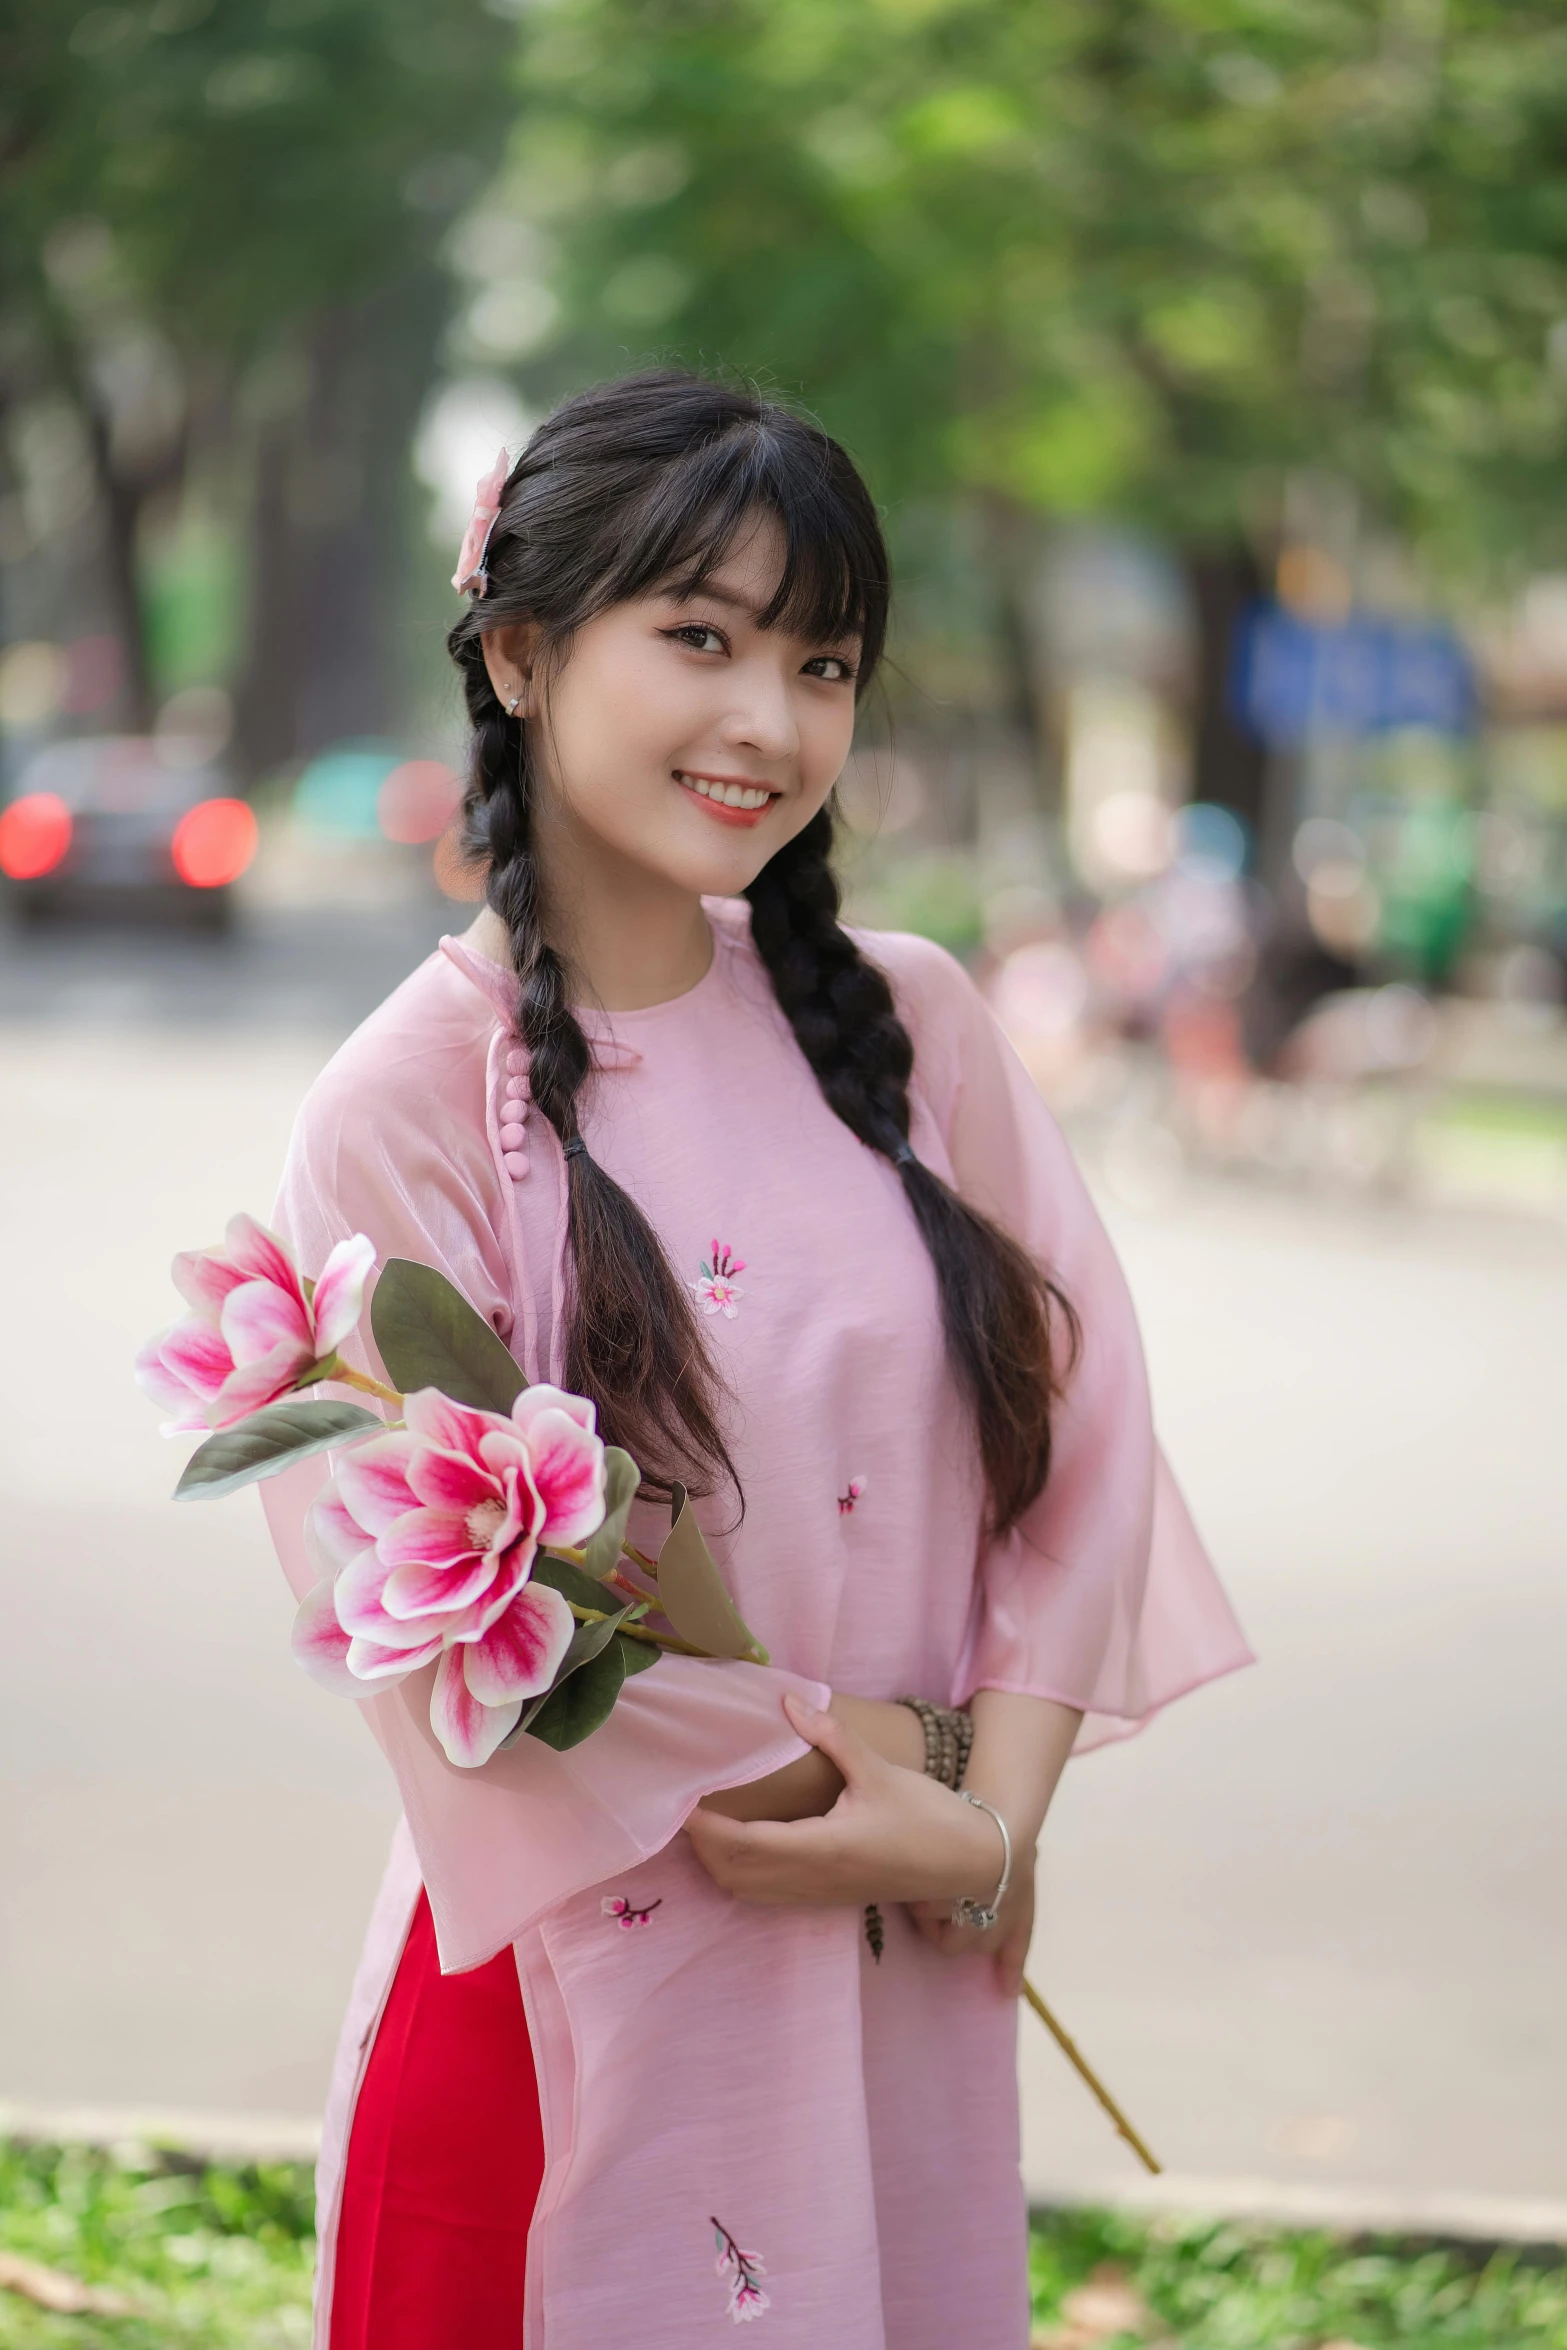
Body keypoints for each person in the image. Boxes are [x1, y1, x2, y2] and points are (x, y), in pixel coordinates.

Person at [260, 370, 1251, 2350]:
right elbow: (446, 1624)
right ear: (524, 649)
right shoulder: (408, 1106)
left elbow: (1091, 1438)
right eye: (697, 636)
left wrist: (991, 1816)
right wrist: (899, 1795)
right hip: (569, 2026)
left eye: (823, 658)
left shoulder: (914, 1022)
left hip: (910, 1942)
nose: (769, 718)